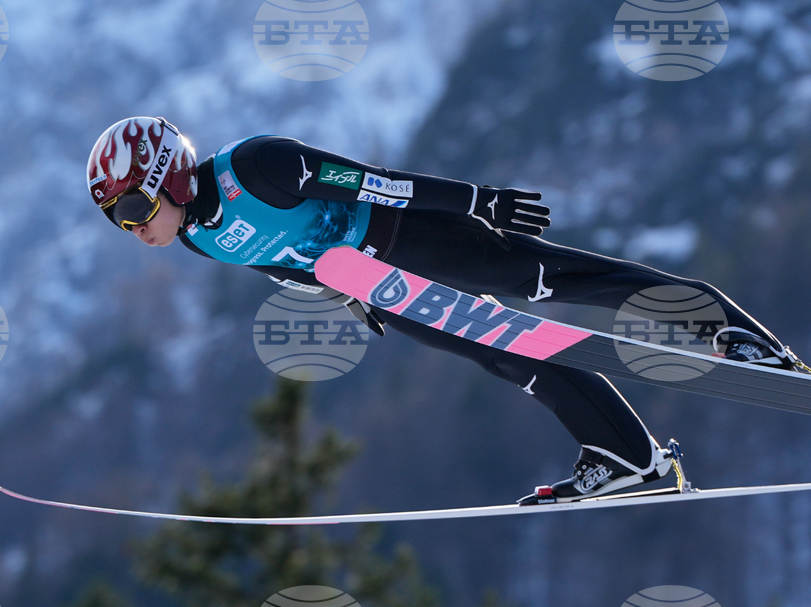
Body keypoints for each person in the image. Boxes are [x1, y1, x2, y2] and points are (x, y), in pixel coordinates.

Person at [86, 116, 798, 503]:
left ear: (167, 175)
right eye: (118, 220)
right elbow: (277, 260)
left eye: (133, 207)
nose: (134, 228)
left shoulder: (258, 166)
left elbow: (376, 183)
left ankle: (730, 333)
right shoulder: (199, 242)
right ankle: (630, 457)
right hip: (372, 283)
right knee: (511, 350)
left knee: (557, 281)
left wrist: (477, 202)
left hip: (408, 234)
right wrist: (342, 294)